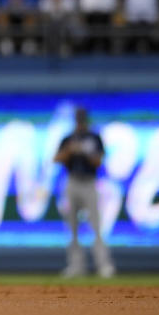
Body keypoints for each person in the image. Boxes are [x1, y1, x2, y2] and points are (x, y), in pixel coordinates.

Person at [53, 107, 116, 278]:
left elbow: (99, 161)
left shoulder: (94, 138)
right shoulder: (69, 138)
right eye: (78, 119)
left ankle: (103, 266)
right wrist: (70, 150)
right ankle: (76, 266)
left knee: (96, 226)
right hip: (72, 181)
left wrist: (86, 152)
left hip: (89, 183)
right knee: (72, 227)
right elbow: (57, 159)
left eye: (82, 119)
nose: (80, 122)